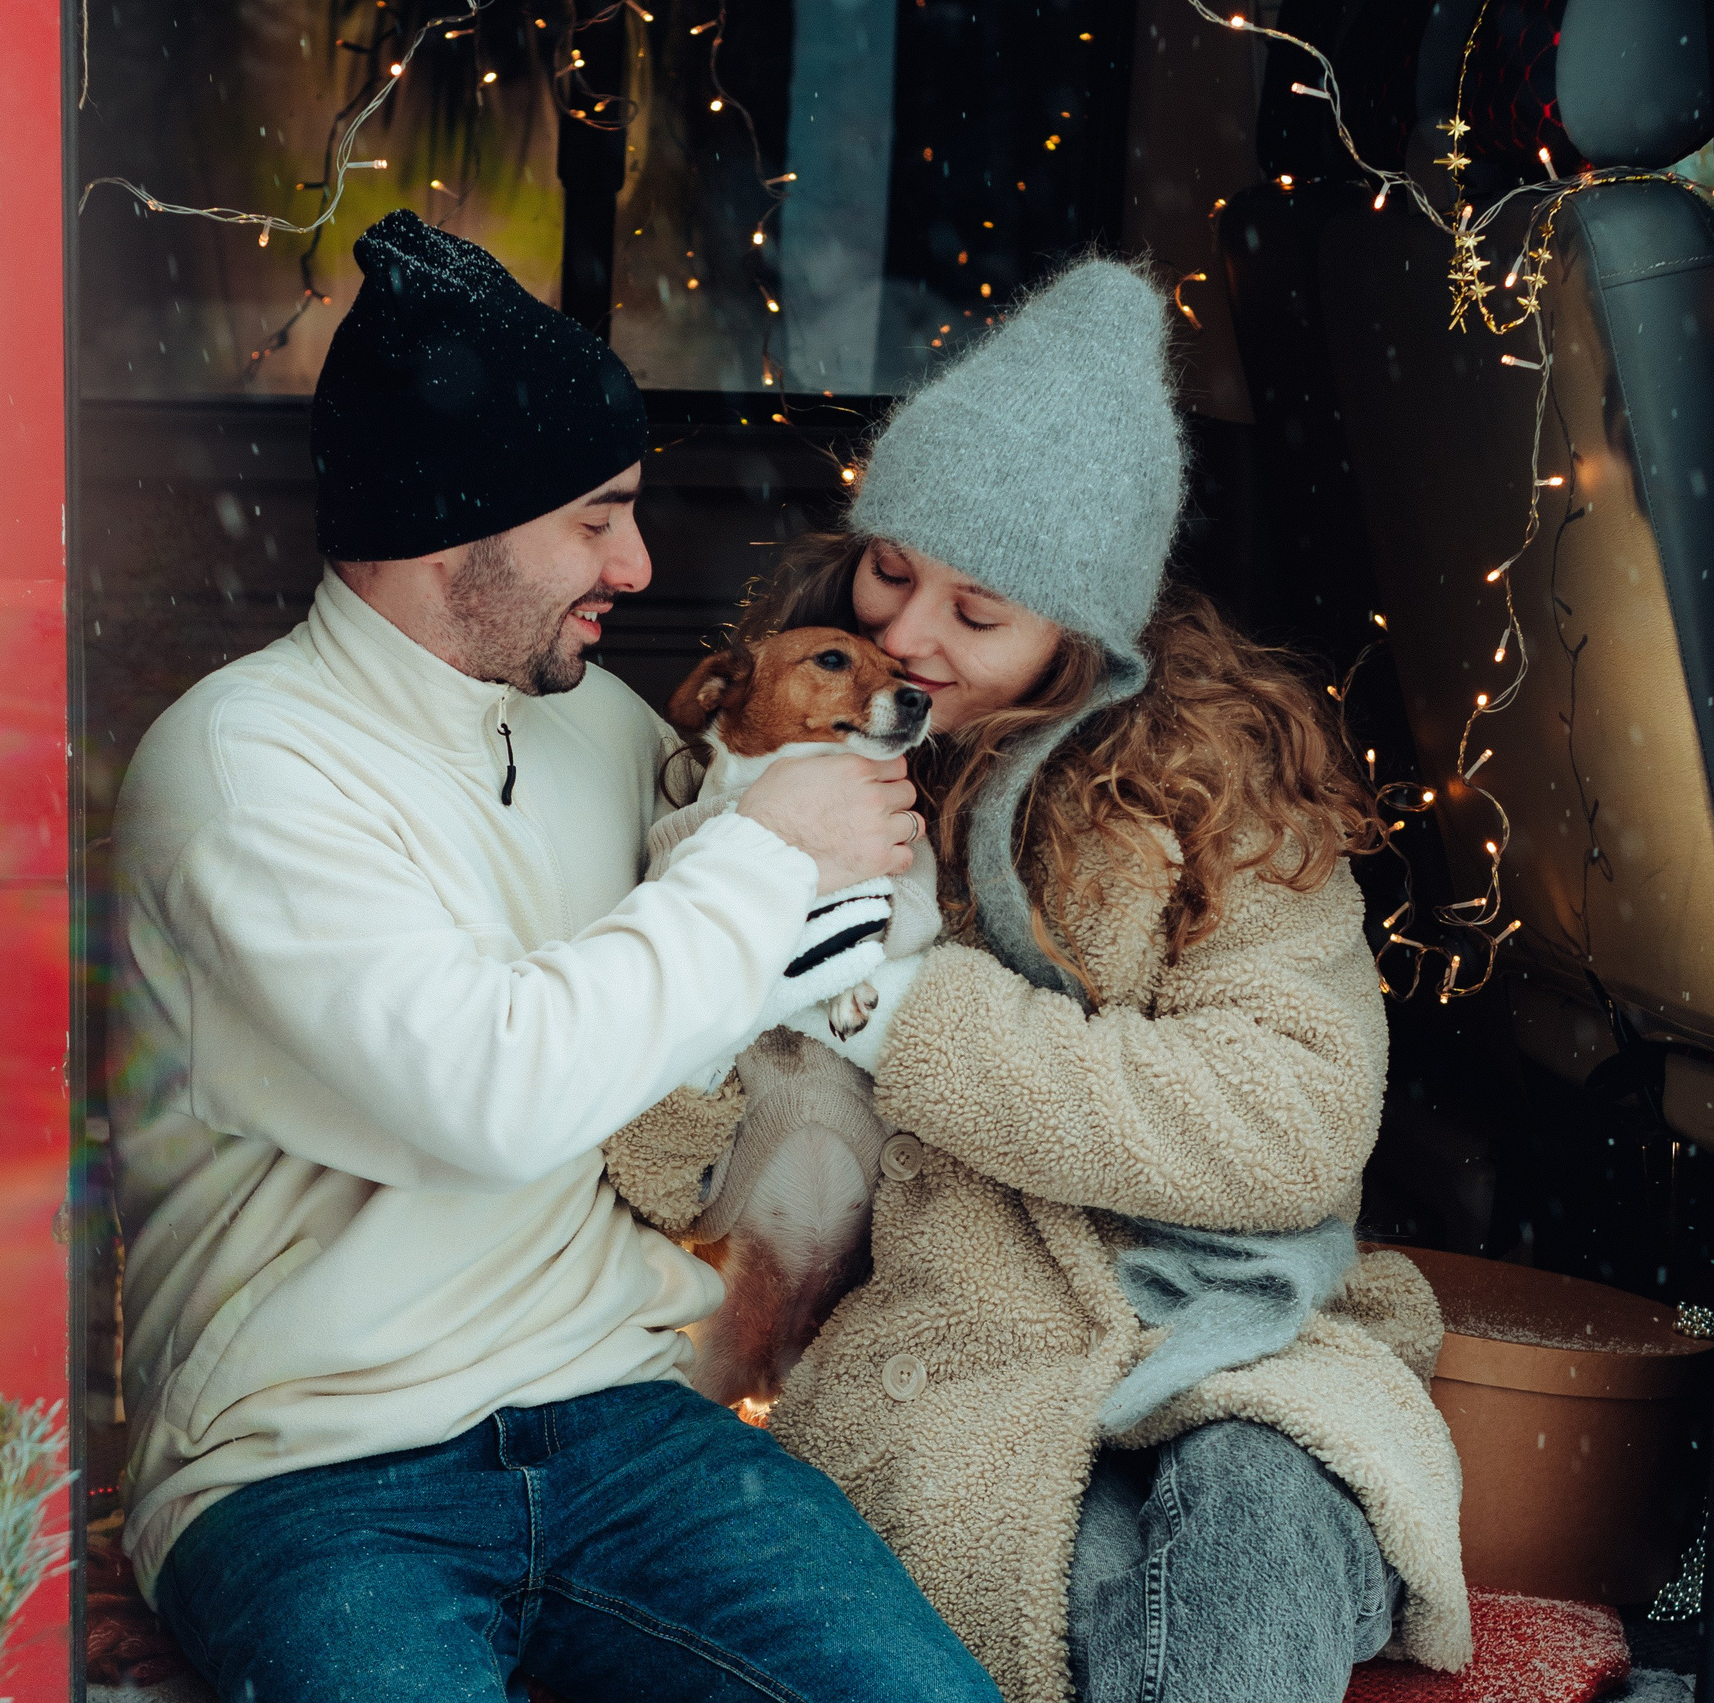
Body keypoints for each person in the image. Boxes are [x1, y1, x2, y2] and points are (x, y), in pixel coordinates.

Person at [108, 210, 1000, 1703]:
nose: (639, 563)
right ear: (453, 522)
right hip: (316, 1472)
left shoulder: (594, 727)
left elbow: (721, 991)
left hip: (622, 1422)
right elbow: (498, 1093)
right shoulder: (244, 770)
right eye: (596, 516)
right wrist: (772, 850)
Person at [607, 260, 1473, 1702]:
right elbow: (653, 1167)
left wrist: (902, 1010)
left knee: (1257, 1530)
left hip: (1222, 1335)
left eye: (978, 609)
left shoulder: (1218, 796)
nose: (908, 639)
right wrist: (724, 931)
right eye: (891, 570)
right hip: (934, 1374)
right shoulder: (759, 760)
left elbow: (1293, 1120)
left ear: (1086, 631)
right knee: (1078, 1603)